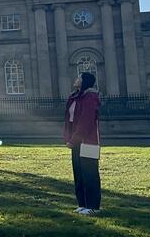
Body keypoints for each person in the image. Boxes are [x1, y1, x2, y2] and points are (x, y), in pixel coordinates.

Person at [63, 72, 102, 215]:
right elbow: (69, 120)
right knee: (79, 173)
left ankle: (93, 206)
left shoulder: (90, 98)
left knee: (90, 173)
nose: (76, 79)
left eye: (79, 77)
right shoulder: (75, 97)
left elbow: (85, 121)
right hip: (76, 140)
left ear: (85, 81)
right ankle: (83, 203)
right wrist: (68, 138)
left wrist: (74, 139)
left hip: (89, 141)